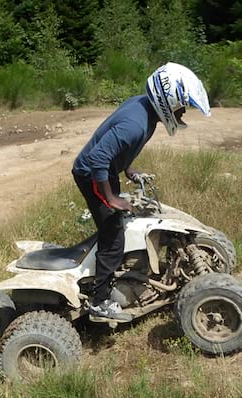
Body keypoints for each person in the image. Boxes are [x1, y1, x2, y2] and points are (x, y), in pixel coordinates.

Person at [71, 62, 211, 321]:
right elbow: (99, 158)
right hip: (91, 172)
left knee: (121, 220)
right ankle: (99, 301)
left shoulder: (144, 108)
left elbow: (116, 148)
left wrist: (129, 170)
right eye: (182, 106)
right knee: (113, 235)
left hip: (105, 170)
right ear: (168, 101)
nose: (183, 113)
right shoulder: (136, 124)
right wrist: (112, 199)